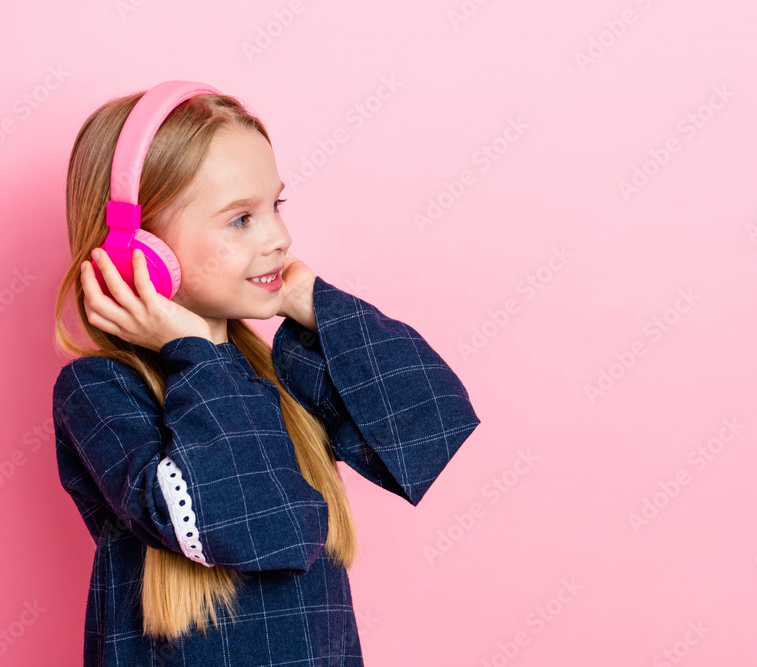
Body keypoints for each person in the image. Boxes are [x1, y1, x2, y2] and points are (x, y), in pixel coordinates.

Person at [50, 83, 482, 665]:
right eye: (241, 219)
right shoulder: (101, 391)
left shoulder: (283, 374)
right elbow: (249, 523)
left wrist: (316, 306)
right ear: (139, 250)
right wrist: (195, 350)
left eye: (276, 206)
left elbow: (429, 424)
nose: (280, 238)